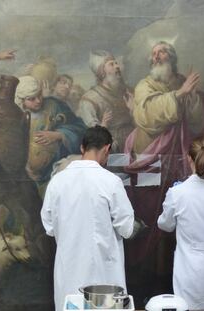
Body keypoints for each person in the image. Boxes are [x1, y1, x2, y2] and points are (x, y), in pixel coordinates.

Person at [41, 125, 135, 311]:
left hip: (69, 271)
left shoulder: (57, 182)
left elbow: (49, 227)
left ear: (82, 148)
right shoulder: (111, 182)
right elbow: (127, 228)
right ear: (107, 149)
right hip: (104, 276)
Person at [157, 136, 204, 311]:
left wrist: (172, 199)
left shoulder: (178, 193)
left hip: (189, 270)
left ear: (189, 159)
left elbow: (165, 225)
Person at [125, 41, 204, 180]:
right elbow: (147, 112)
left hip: (179, 148)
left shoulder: (182, 81)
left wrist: (193, 96)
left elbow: (196, 120)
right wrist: (180, 93)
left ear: (171, 57)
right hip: (151, 149)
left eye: (161, 52)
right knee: (151, 194)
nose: (156, 56)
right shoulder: (144, 85)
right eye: (153, 54)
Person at [14, 75, 86, 185]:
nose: (38, 101)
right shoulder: (14, 117)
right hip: (28, 175)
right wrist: (25, 168)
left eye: (39, 95)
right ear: (21, 100)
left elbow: (80, 128)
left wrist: (60, 135)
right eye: (31, 99)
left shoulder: (54, 105)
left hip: (58, 167)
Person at [79, 50, 134, 153]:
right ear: (102, 72)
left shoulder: (129, 92)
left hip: (134, 141)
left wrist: (133, 110)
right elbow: (93, 136)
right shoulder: (90, 99)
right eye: (111, 64)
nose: (117, 66)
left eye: (116, 63)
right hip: (111, 148)